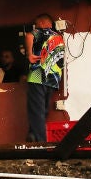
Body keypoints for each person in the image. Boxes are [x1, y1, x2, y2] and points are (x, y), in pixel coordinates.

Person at [25, 14, 65, 142]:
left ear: (42, 23)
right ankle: (33, 135)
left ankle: (41, 142)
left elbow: (29, 35)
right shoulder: (59, 37)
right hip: (53, 80)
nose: (35, 27)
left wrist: (30, 54)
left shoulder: (41, 32)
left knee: (37, 111)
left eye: (36, 24)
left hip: (38, 76)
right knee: (44, 110)